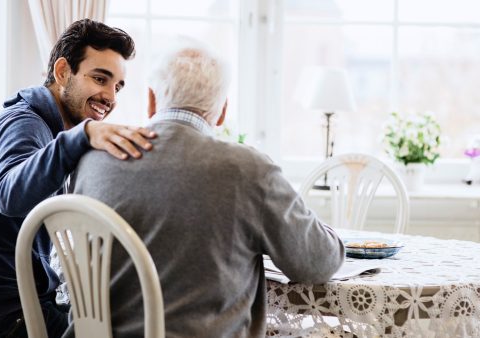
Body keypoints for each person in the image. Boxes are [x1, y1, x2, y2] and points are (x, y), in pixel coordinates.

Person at [69, 41, 345, 337]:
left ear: (151, 100)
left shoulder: (90, 159)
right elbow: (317, 263)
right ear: (222, 111)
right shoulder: (248, 169)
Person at [0, 19, 156, 338]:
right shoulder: (22, 122)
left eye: (117, 87)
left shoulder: (45, 126)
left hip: (5, 307)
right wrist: (82, 136)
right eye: (100, 78)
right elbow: (9, 195)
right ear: (61, 72)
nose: (110, 97)